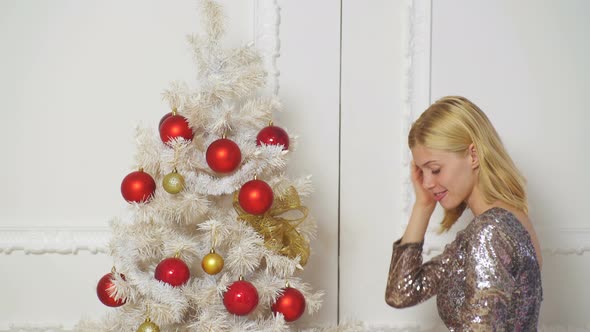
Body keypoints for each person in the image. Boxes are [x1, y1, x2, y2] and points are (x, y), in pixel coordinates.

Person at [385, 96, 543, 330]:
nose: (427, 182)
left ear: (474, 155)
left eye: (435, 169)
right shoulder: (500, 224)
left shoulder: (490, 232)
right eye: (421, 171)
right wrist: (423, 205)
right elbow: (402, 292)